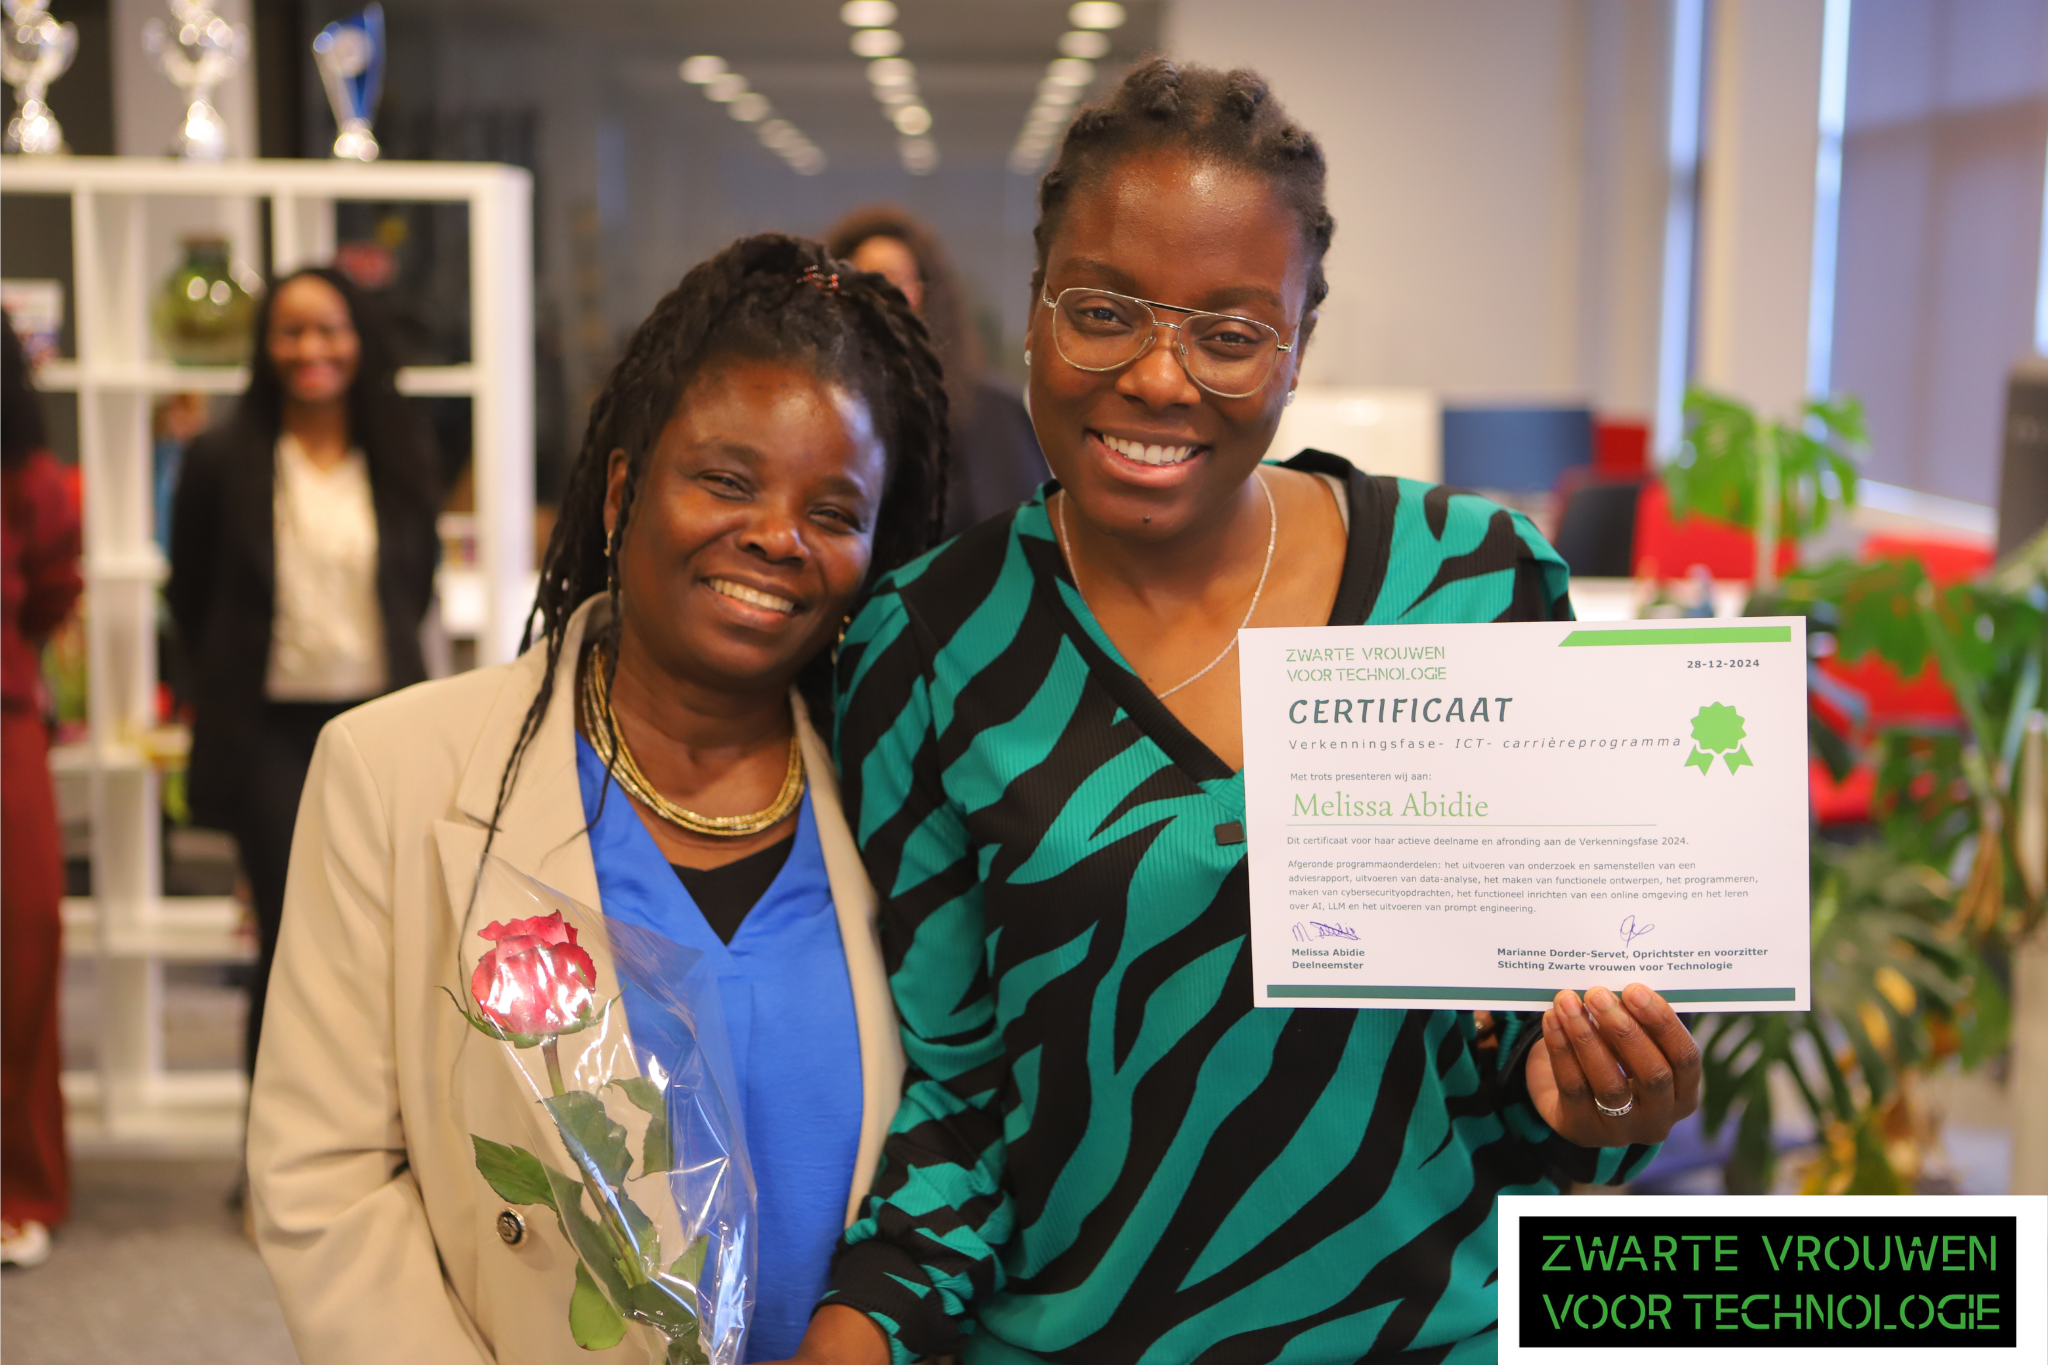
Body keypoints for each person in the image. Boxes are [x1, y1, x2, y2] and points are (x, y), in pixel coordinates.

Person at [791, 61, 1703, 1365]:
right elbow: (959, 1104)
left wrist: (1591, 1106)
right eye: (1103, 310)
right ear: (1038, 308)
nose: (1161, 379)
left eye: (1229, 332)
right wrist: (857, 1329)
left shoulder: (1472, 588)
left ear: (1297, 347)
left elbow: (1507, 1085)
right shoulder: (927, 645)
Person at [247, 234, 949, 1364]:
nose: (775, 535)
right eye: (725, 480)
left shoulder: (905, 799)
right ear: (622, 492)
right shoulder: (394, 771)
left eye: (833, 511)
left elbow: (960, 1134)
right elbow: (325, 1183)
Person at [167, 267, 442, 1077]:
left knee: (387, 940)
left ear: (359, 339)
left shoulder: (400, 452)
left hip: (382, 724)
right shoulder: (222, 457)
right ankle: (272, 1161)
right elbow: (191, 592)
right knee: (292, 938)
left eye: (329, 328)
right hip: (268, 734)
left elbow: (412, 582)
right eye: (291, 331)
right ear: (265, 346)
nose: (311, 348)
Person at [0, 316, 83, 1270]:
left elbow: (54, 589)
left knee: (20, 951)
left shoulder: (28, 476)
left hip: (6, 724)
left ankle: (21, 1183)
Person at [825, 206, 1046, 536]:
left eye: (892, 278)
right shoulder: (815, 405)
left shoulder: (994, 414)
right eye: (859, 278)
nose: (877, 295)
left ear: (925, 294)